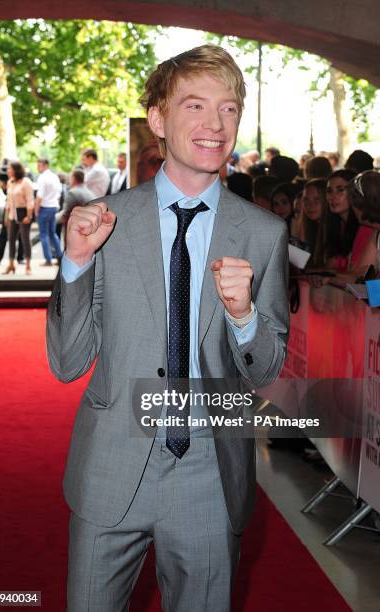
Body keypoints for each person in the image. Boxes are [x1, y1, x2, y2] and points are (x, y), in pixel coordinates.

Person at [47, 44, 289, 612]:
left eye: (229, 109)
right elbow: (67, 362)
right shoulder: (107, 223)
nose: (215, 125)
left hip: (208, 474)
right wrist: (76, 264)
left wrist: (245, 318)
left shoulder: (262, 233)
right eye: (196, 106)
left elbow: (270, 371)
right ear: (158, 119)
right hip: (111, 463)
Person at [3, 160, 34, 275]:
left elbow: (30, 200)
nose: (8, 171)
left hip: (23, 214)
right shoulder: (10, 182)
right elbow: (8, 201)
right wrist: (6, 217)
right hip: (11, 215)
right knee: (11, 240)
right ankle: (11, 264)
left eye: (9, 168)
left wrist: (28, 216)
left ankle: (28, 265)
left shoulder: (26, 182)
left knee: (25, 240)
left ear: (16, 170)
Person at [324, 169, 359, 272]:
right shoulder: (336, 225)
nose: (332, 197)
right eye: (329, 191)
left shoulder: (363, 227)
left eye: (340, 190)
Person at [35, 158, 63, 266]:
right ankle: (60, 257)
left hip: (45, 207)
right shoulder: (54, 176)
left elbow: (39, 196)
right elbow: (59, 192)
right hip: (54, 207)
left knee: (43, 234)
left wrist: (36, 210)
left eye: (39, 165)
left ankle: (48, 259)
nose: (37, 167)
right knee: (53, 233)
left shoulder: (42, 178)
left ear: (45, 165)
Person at [56, 169, 94, 246]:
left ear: (73, 179)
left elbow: (65, 215)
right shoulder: (89, 191)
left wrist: (54, 218)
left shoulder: (73, 193)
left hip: (76, 233)